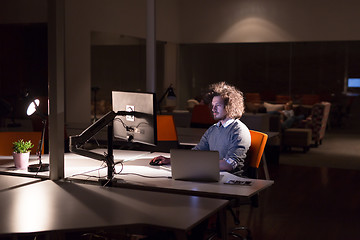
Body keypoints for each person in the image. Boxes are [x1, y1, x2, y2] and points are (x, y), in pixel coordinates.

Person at [150, 82, 251, 174]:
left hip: (230, 182)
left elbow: (228, 165)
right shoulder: (213, 129)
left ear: (230, 107)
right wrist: (171, 160)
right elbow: (196, 152)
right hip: (213, 175)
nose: (213, 109)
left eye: (218, 105)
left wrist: (196, 165)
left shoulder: (239, 131)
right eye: (212, 105)